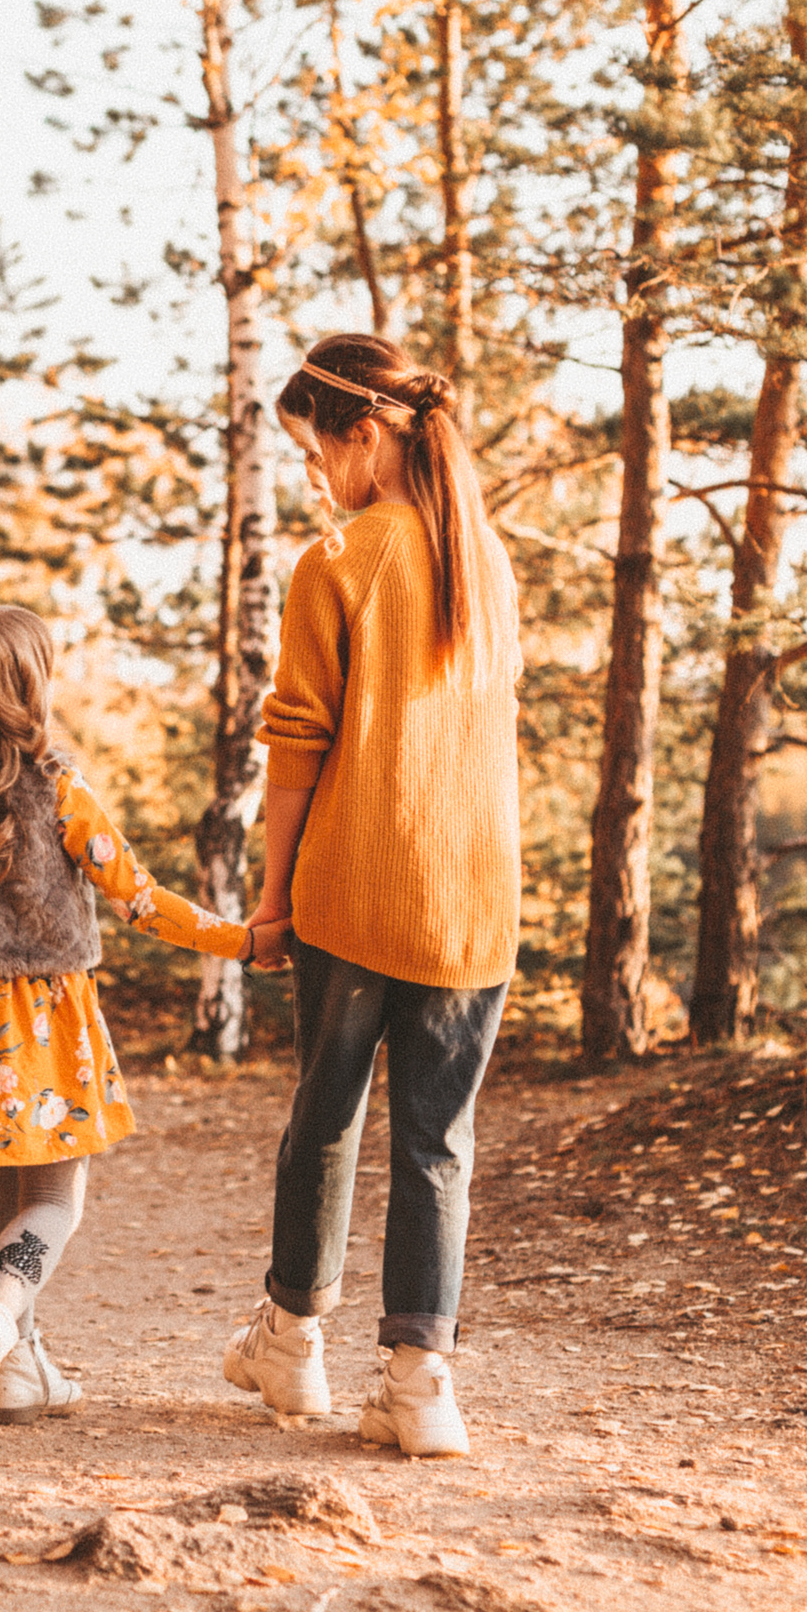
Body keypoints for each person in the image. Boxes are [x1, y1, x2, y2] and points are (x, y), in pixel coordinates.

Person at [0, 605, 289, 1460]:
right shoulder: (57, 788)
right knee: (58, 1200)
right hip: (46, 1026)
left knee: (5, 1196)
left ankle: (19, 1369)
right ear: (25, 692)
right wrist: (242, 941)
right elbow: (138, 897)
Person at [220, 333, 523, 1459]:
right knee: (438, 1140)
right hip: (472, 898)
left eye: (316, 450)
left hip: (354, 888)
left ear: (366, 435)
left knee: (326, 1119)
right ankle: (420, 1380)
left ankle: (292, 1337)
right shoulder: (484, 560)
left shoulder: (338, 557)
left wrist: (271, 894)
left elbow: (296, 744)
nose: (314, 475)